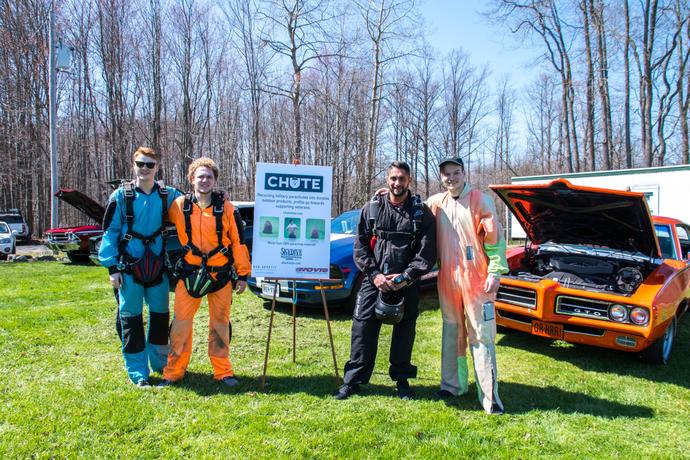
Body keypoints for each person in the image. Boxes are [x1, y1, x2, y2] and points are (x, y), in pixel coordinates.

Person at [334, 161, 436, 400]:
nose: (397, 183)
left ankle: (402, 381)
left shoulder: (421, 212)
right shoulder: (372, 208)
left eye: (401, 179)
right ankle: (353, 381)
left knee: (404, 329)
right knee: (362, 327)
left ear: (409, 180)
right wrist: (374, 275)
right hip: (374, 279)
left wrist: (406, 277)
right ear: (387, 180)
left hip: (406, 281)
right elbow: (360, 246)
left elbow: (427, 252)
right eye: (393, 178)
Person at [426, 157, 509, 415]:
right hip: (448, 277)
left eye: (455, 173)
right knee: (452, 331)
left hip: (477, 279)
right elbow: (411, 210)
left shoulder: (479, 200)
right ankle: (453, 385)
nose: (451, 178)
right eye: (446, 174)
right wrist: (384, 196)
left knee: (481, 334)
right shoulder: (436, 203)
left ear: (464, 173)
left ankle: (489, 396)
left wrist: (495, 270)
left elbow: (494, 239)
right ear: (441, 178)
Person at [159, 157, 251, 387]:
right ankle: (173, 373)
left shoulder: (228, 209)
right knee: (180, 325)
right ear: (191, 179)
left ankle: (223, 372)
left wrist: (242, 274)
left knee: (220, 323)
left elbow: (239, 243)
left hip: (220, 276)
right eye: (200, 176)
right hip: (189, 274)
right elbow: (154, 205)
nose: (204, 180)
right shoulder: (179, 205)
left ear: (215, 181)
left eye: (209, 177)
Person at [98, 146, 183, 387]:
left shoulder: (170, 195)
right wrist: (111, 268)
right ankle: (138, 373)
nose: (145, 169)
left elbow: (195, 207)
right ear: (133, 165)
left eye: (150, 164)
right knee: (131, 320)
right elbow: (109, 232)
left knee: (159, 319)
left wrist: (218, 197)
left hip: (158, 268)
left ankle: (161, 364)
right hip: (128, 270)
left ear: (157, 167)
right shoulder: (120, 197)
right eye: (140, 164)